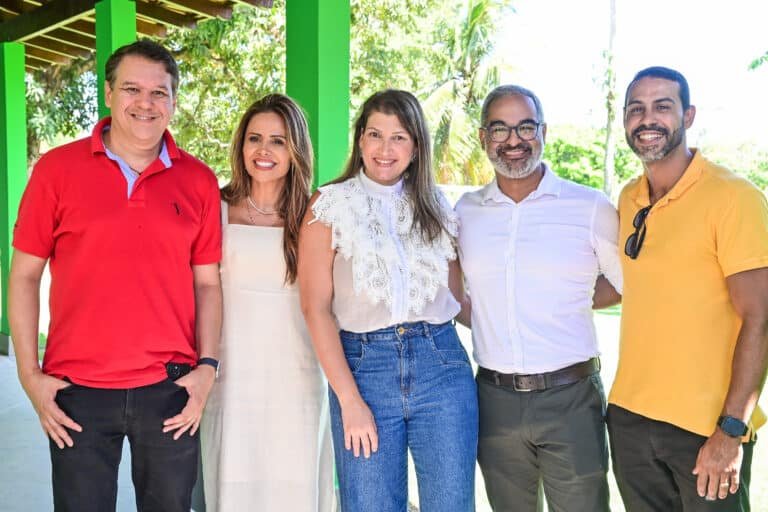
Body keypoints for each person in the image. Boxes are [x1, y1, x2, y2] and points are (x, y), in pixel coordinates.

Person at [8, 39, 222, 512]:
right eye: (132, 89)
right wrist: (28, 373)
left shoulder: (199, 181)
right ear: (108, 94)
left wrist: (207, 368)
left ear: (173, 101)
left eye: (159, 93)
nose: (145, 103)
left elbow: (208, 284)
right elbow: (24, 275)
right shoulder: (55, 170)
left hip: (171, 389)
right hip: (75, 392)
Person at [298, 89, 478, 512]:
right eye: (375, 134)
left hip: (443, 366)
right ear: (360, 140)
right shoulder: (329, 206)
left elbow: (457, 298)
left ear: (416, 147)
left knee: (452, 504)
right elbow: (315, 309)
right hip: (363, 370)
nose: (385, 148)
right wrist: (350, 400)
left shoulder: (438, 206)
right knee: (370, 504)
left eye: (399, 137)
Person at [455, 84, 622, 512]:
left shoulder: (589, 207)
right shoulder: (464, 213)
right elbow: (457, 292)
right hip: (494, 399)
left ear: (544, 131)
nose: (513, 140)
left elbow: (626, 284)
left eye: (525, 127)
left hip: (571, 398)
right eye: (500, 129)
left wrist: (568, 301)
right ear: (482, 138)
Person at [607, 66, 768, 511]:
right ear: (625, 120)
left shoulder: (733, 197)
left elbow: (761, 318)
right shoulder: (628, 198)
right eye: (636, 109)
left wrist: (731, 430)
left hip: (706, 429)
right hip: (629, 420)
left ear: (688, 115)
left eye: (663, 106)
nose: (648, 118)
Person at [199, 94, 335, 511]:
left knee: (292, 487)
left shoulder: (316, 214)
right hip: (228, 375)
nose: (264, 150)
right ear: (240, 145)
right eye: (254, 138)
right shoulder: (214, 207)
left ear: (295, 149)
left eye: (278, 141)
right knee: (230, 482)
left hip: (297, 376)